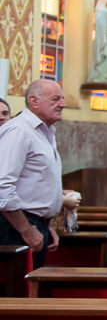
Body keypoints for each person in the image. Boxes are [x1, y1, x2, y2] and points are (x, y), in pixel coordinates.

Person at [0, 80, 66, 268]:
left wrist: (48, 224)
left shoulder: (45, 131)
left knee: (32, 284)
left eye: (62, 99)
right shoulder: (18, 131)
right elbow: (3, 186)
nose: (63, 104)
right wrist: (27, 230)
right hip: (15, 227)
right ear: (34, 101)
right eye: (55, 99)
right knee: (19, 285)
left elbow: (40, 183)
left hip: (35, 223)